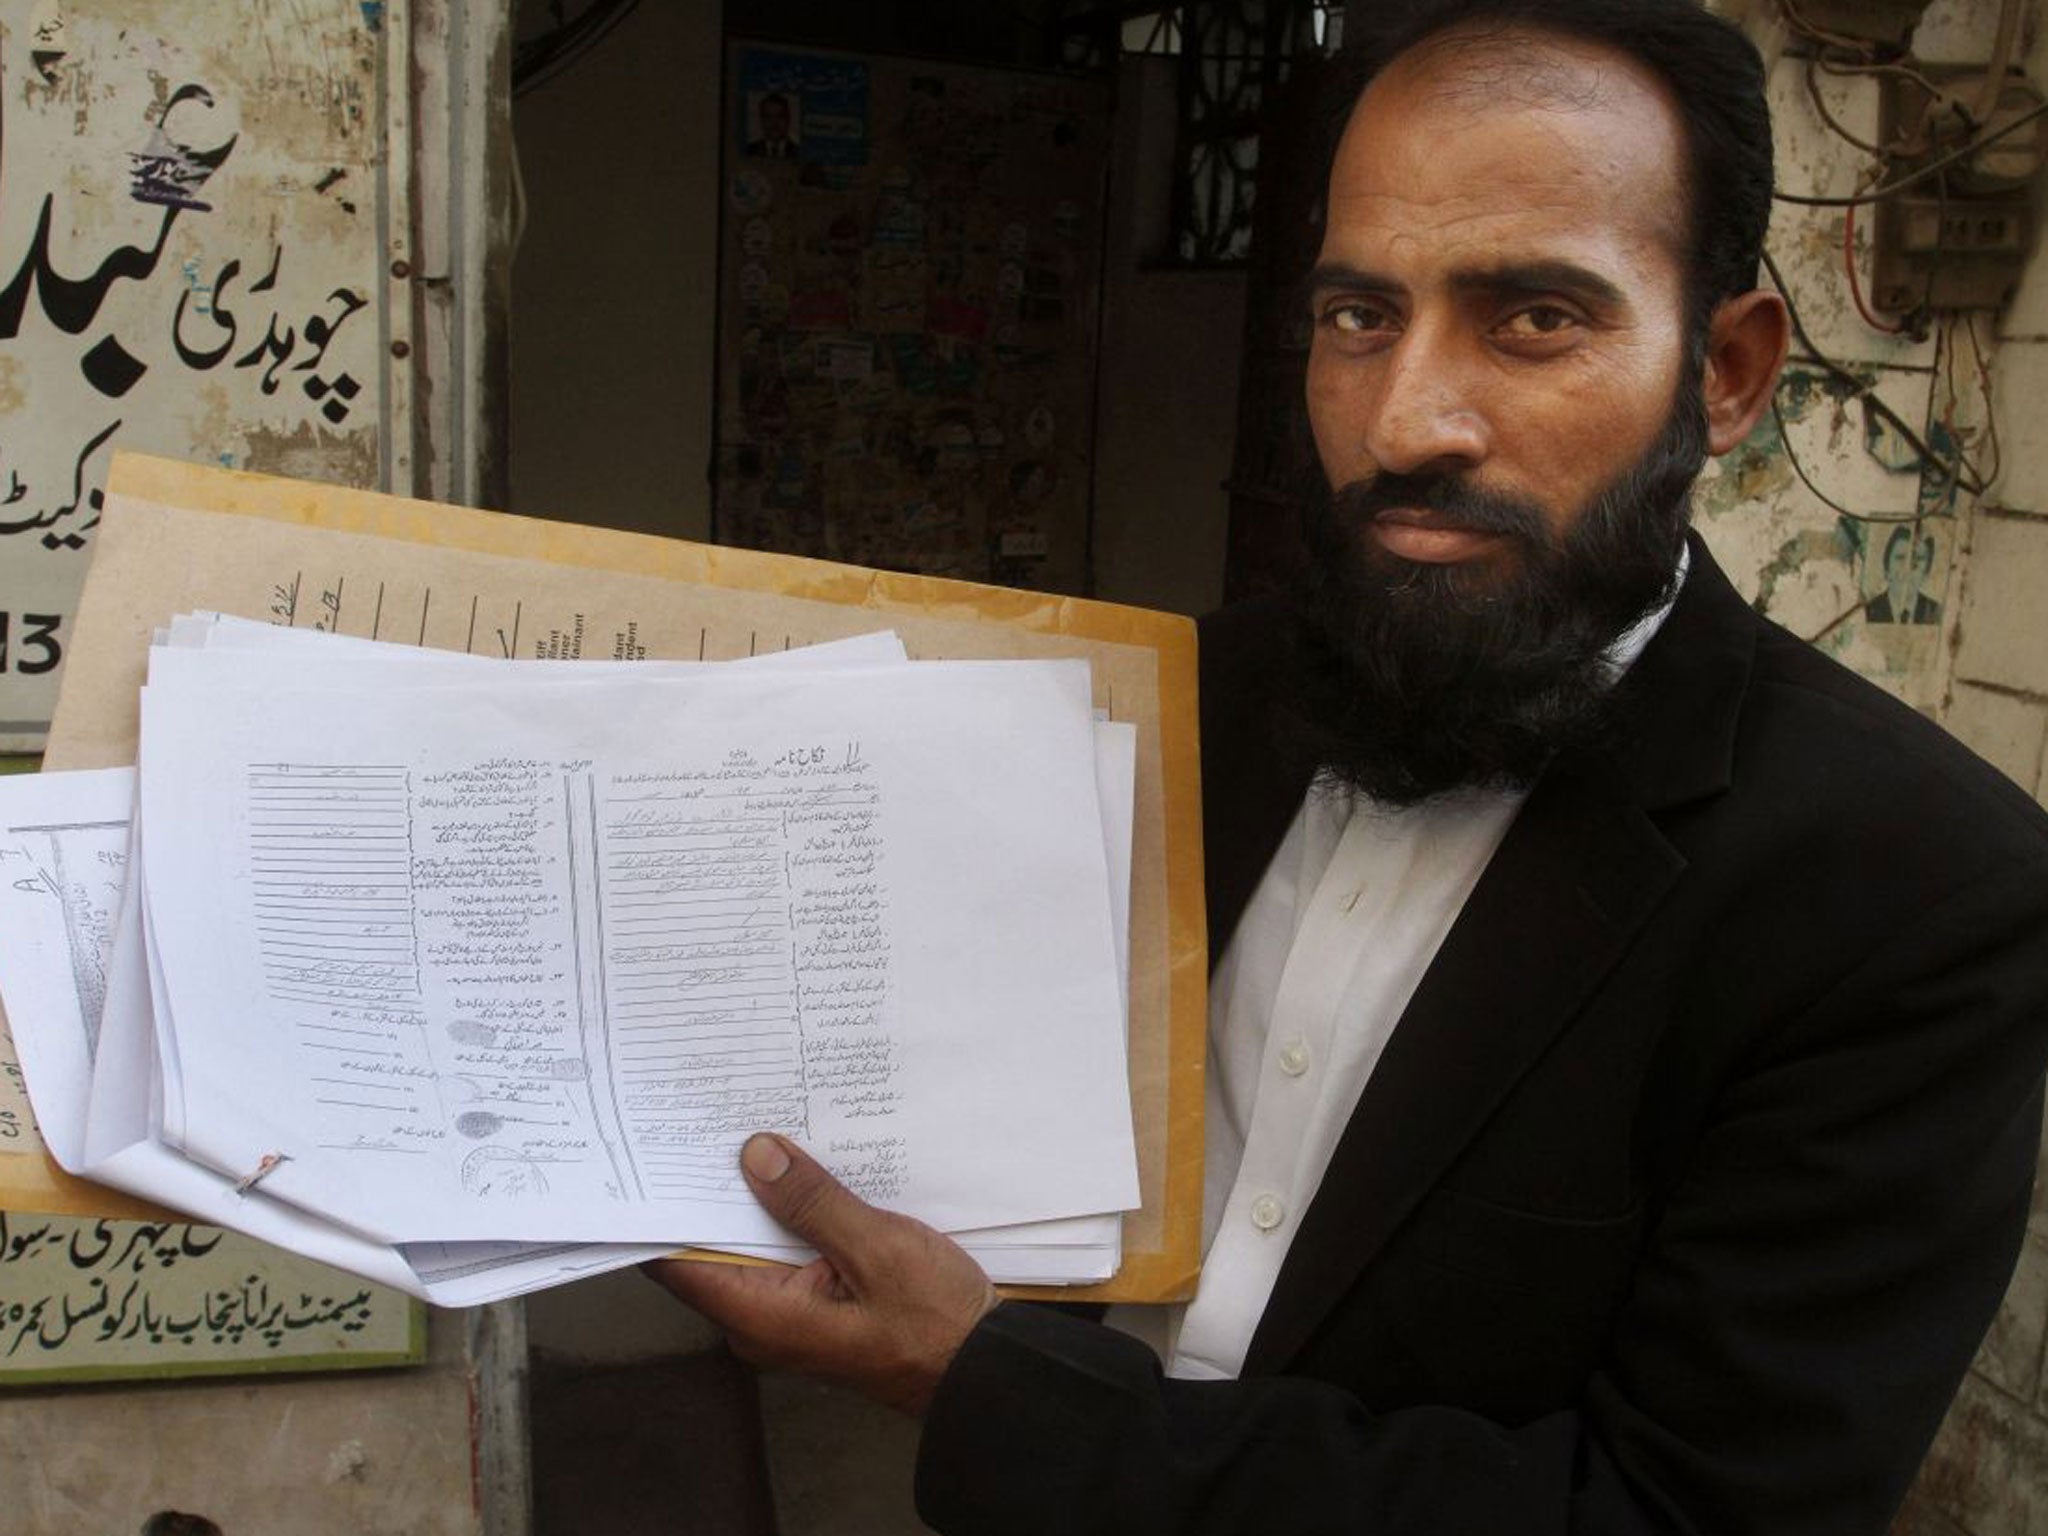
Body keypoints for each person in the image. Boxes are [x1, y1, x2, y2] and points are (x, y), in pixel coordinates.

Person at [650, 2, 2048, 1530]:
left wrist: (977, 1384)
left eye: (1533, 319)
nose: (1405, 421)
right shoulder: (1181, 703)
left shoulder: (1913, 897)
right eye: (1359, 316)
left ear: (1724, 371)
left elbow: (1681, 1511)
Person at [1865, 524, 1944, 624]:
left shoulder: (1936, 612)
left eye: (1918, 559)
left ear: (1926, 573)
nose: (1908, 569)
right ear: (1887, 568)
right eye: (1900, 557)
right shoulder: (1868, 611)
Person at [746, 92, 798, 159]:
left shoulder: (798, 151)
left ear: (788, 119)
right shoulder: (750, 151)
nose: (774, 123)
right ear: (762, 121)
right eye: (768, 117)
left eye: (780, 116)